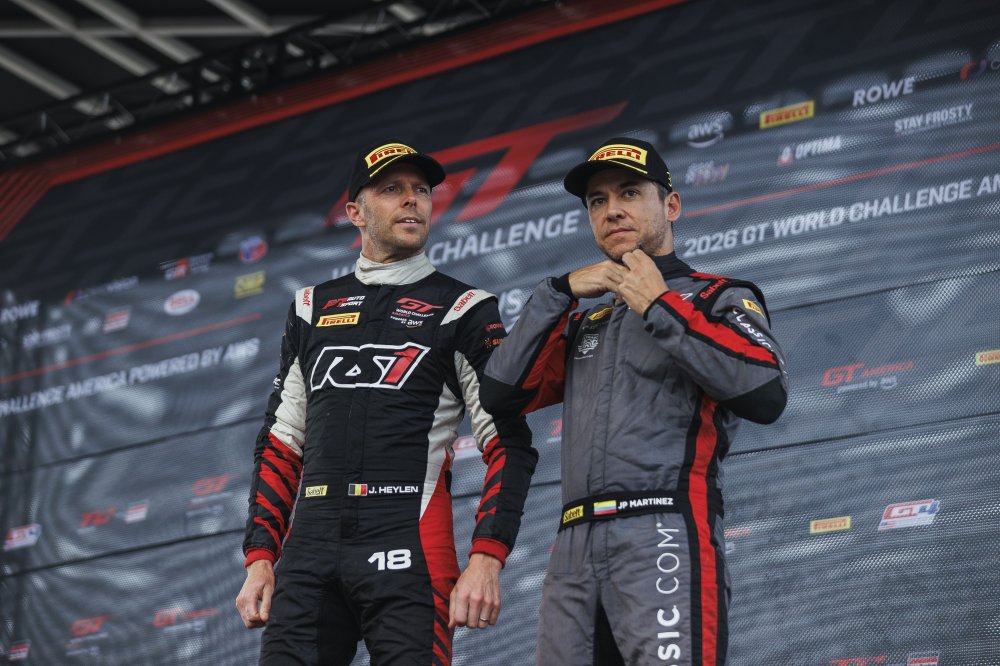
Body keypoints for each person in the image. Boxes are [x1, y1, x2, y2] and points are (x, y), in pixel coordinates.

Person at [480, 137, 787, 665]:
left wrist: (660, 306)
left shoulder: (718, 296)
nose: (612, 210)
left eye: (629, 192)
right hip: (573, 546)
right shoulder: (586, 318)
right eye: (597, 201)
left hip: (663, 529)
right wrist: (557, 292)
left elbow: (765, 394)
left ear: (671, 205)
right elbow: (501, 395)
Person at [235, 141, 538, 665]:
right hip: (310, 547)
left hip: (410, 539)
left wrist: (487, 556)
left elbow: (508, 442)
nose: (412, 200)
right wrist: (260, 557)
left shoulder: (464, 308)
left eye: (421, 190)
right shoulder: (310, 308)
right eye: (392, 189)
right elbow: (281, 443)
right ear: (356, 212)